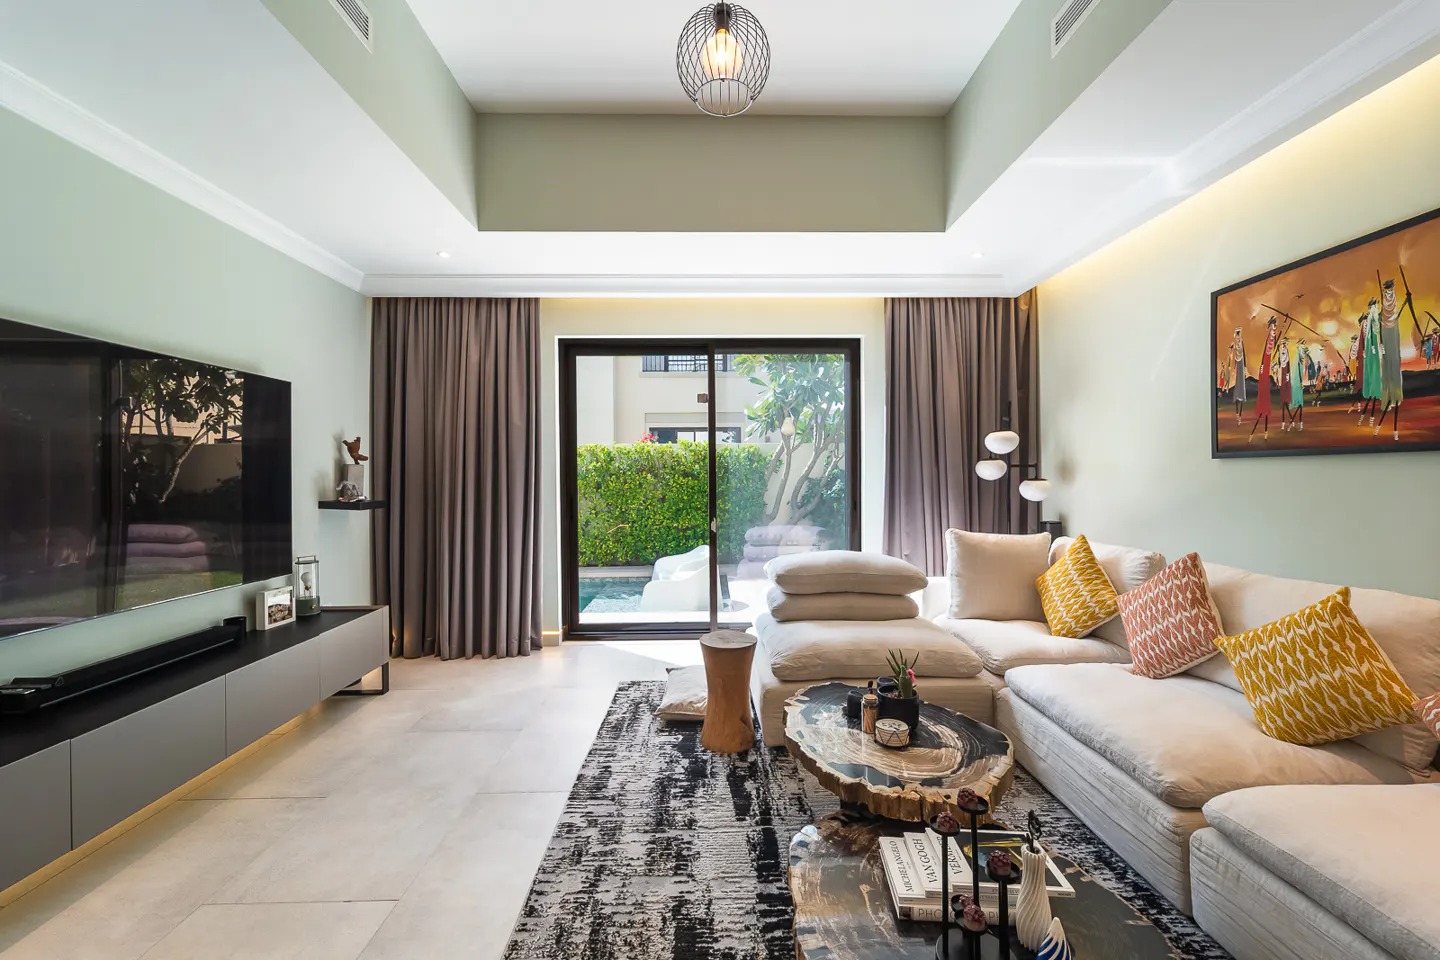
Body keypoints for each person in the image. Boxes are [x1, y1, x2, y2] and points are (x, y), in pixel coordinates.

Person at [1376, 278, 1405, 440]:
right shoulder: (1383, 310)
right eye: (1385, 291)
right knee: (1385, 366)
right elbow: (1381, 323)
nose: (1387, 294)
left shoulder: (1393, 303)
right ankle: (1387, 397)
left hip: (1393, 337)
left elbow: (1392, 316)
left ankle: (1395, 396)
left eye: (1389, 290)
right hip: (1385, 339)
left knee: (1394, 364)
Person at [1249, 317, 1278, 442]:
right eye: (1272, 327)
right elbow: (1266, 353)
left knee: (1265, 401)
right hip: (1263, 376)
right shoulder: (1268, 342)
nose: (1274, 329)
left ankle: (1265, 431)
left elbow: (1269, 351)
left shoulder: (1271, 342)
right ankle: (1260, 431)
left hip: (1265, 376)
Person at [1359, 298, 1383, 427]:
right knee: (1373, 372)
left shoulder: (1372, 317)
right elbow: (1372, 334)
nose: (1376, 306)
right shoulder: (1370, 318)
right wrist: (1373, 346)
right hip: (1372, 350)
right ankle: (1370, 416)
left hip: (1372, 349)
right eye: (1375, 305)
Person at [1229, 327, 1247, 423]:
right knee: (1237, 389)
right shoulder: (1235, 345)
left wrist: (1245, 368)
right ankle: (1237, 415)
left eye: (1239, 335)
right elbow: (1232, 356)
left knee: (1241, 389)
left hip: (1241, 365)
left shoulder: (1241, 343)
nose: (1238, 337)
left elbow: (1243, 354)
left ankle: (1239, 415)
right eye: (1237, 335)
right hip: (1237, 367)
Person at [1288, 335, 1306, 431]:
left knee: (1300, 404)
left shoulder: (1299, 360)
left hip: (1298, 383)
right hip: (1297, 384)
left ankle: (1299, 423)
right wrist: (1301, 383)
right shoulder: (1298, 361)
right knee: (1299, 403)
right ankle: (1298, 423)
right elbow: (1298, 373)